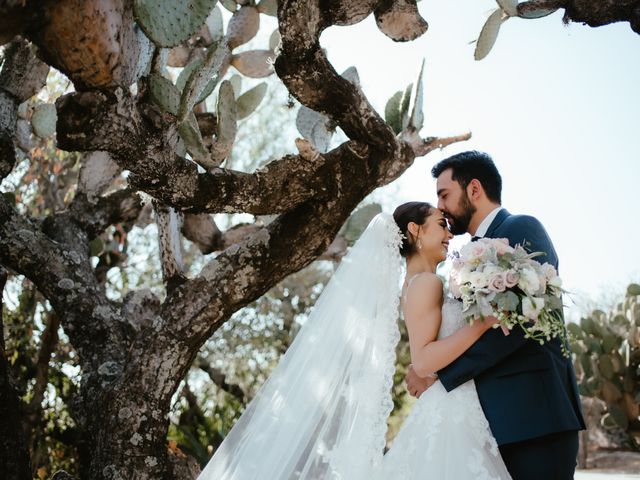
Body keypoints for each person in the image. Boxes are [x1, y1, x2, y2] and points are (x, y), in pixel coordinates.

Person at [197, 201, 512, 479]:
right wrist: (482, 324)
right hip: (452, 418)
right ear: (415, 230)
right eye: (441, 225)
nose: (450, 234)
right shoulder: (427, 283)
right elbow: (425, 360)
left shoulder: (415, 283)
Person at [406, 150, 586, 480]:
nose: (441, 207)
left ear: (474, 189)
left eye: (444, 194)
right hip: (486, 428)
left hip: (535, 420)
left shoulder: (521, 227)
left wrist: (439, 375)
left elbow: (517, 324)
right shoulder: (464, 257)